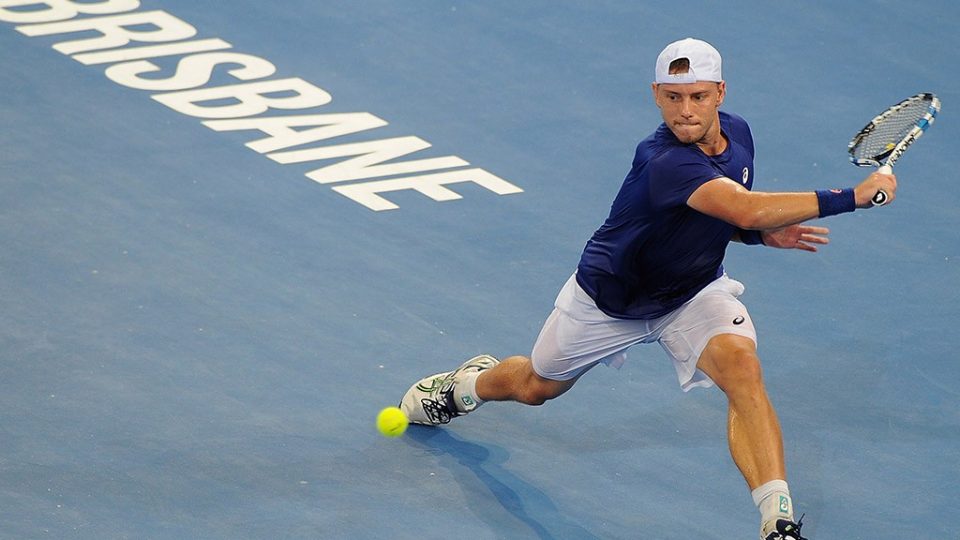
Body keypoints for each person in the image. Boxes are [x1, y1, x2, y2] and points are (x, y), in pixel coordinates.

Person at [399, 37, 896, 540]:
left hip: (691, 294)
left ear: (720, 93)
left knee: (743, 370)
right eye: (673, 97)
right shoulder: (664, 161)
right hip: (609, 301)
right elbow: (743, 206)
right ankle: (467, 385)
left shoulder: (739, 134)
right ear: (656, 95)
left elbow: (728, 215)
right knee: (536, 387)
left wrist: (757, 234)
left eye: (698, 96)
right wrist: (851, 198)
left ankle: (777, 522)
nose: (685, 111)